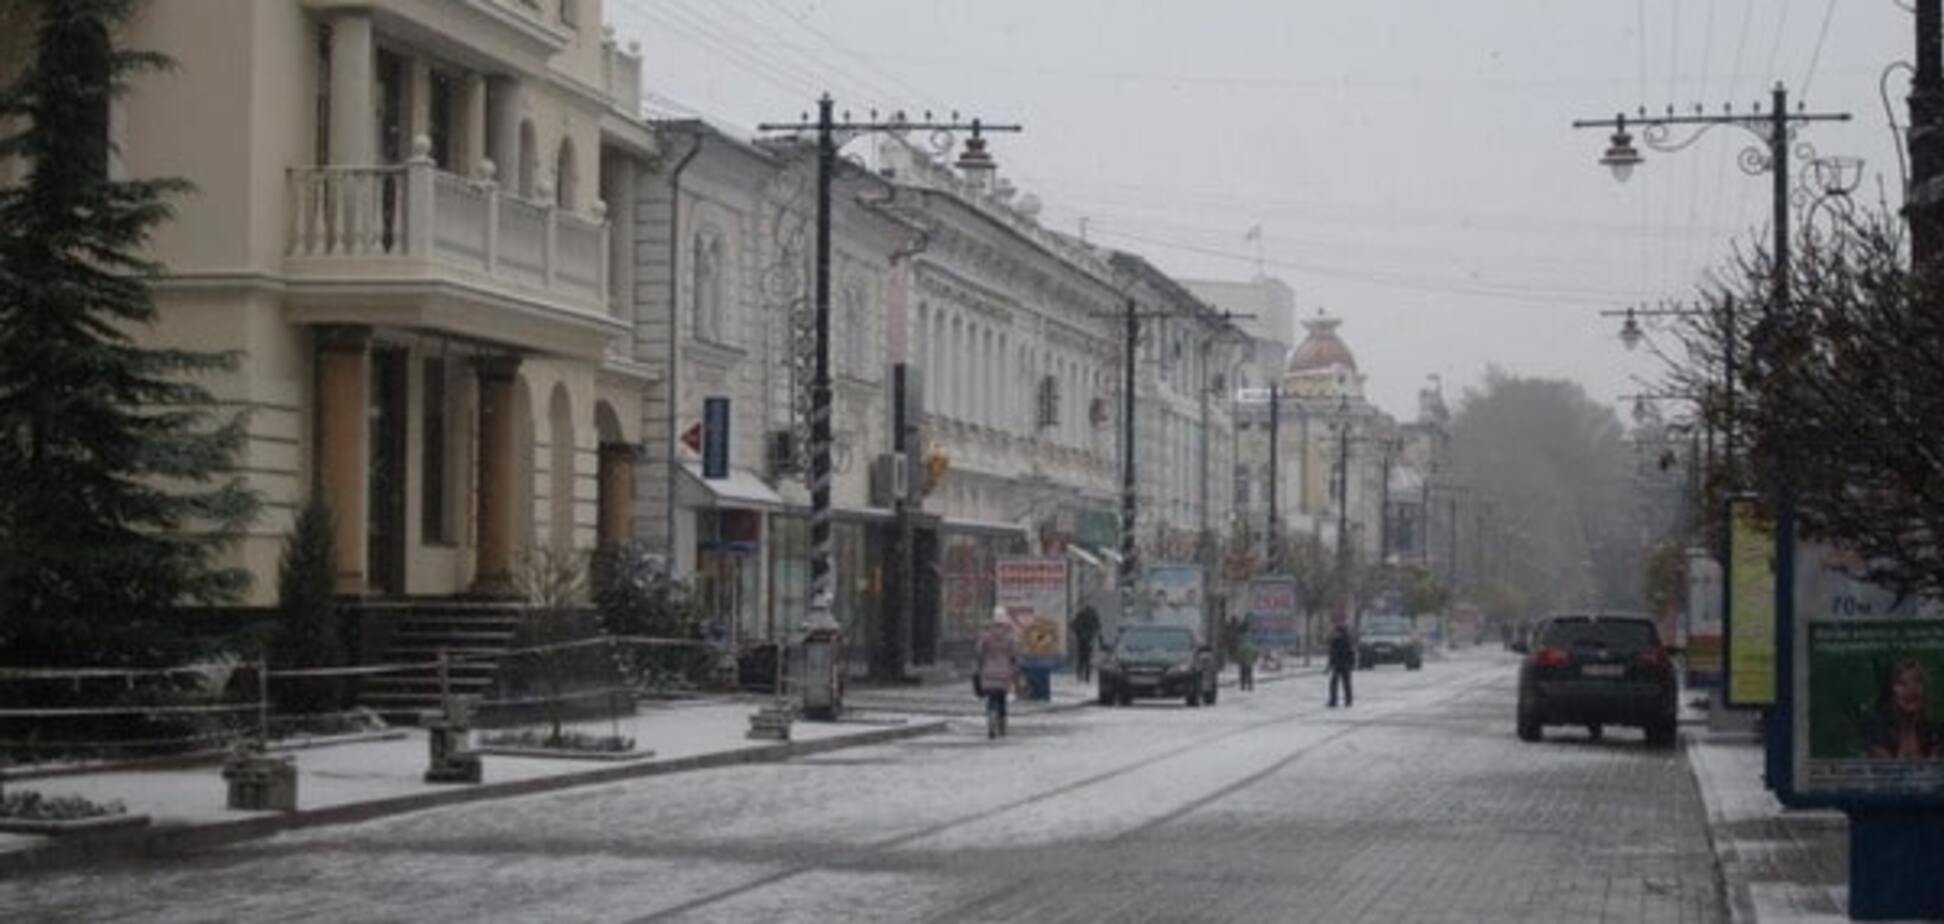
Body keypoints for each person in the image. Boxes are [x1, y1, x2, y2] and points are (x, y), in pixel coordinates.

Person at [1862, 658, 1944, 760]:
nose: (1911, 689)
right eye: (1902, 683)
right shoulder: (1877, 731)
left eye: (1917, 681)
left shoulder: (1936, 733)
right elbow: (1888, 771)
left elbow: (1934, 770)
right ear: (1891, 692)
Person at [976, 607, 1020, 739]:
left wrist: (982, 662)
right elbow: (1013, 653)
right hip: (1004, 672)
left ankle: (991, 722)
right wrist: (1014, 666)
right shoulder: (1009, 635)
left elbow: (979, 650)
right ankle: (1002, 726)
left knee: (991, 698)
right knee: (1002, 700)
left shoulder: (986, 634)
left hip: (989, 671)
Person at [1327, 621, 1356, 708]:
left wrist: (1351, 664)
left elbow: (1350, 653)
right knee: (1336, 683)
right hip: (1338, 665)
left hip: (1343, 665)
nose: (1335, 633)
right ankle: (1335, 700)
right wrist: (1330, 664)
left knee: (1345, 683)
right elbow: (1332, 654)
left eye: (1336, 631)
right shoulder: (1336, 640)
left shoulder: (1345, 641)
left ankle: (1346, 701)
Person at [1070, 603, 1101, 683]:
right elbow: (1098, 627)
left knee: (1081, 659)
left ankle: (1080, 676)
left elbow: (1073, 625)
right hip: (1088, 640)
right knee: (1087, 659)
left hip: (1081, 640)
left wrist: (1079, 633)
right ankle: (1087, 677)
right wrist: (1093, 635)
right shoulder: (1093, 616)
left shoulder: (1081, 615)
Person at [1230, 615, 1257, 692]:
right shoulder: (1251, 644)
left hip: (1243, 661)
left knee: (1243, 673)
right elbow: (1255, 652)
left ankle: (1243, 685)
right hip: (1249, 661)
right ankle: (1250, 685)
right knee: (1249, 673)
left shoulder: (1242, 644)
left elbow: (1239, 653)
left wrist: (1238, 659)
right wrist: (1254, 659)